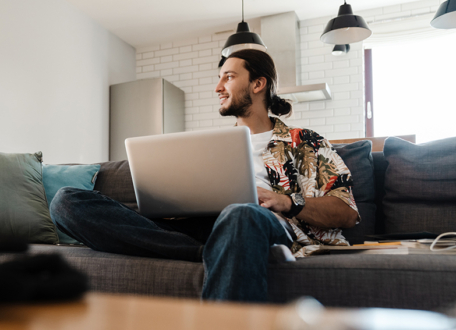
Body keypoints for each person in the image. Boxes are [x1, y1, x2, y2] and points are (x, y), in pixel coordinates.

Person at [50, 49, 360, 303]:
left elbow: (346, 213)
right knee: (66, 201)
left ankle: (224, 253)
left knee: (240, 213)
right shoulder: (214, 147)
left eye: (228, 77)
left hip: (261, 224)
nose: (217, 87)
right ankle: (213, 250)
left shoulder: (306, 141)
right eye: (219, 78)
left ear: (257, 84)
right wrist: (172, 203)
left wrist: (283, 201)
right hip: (198, 227)